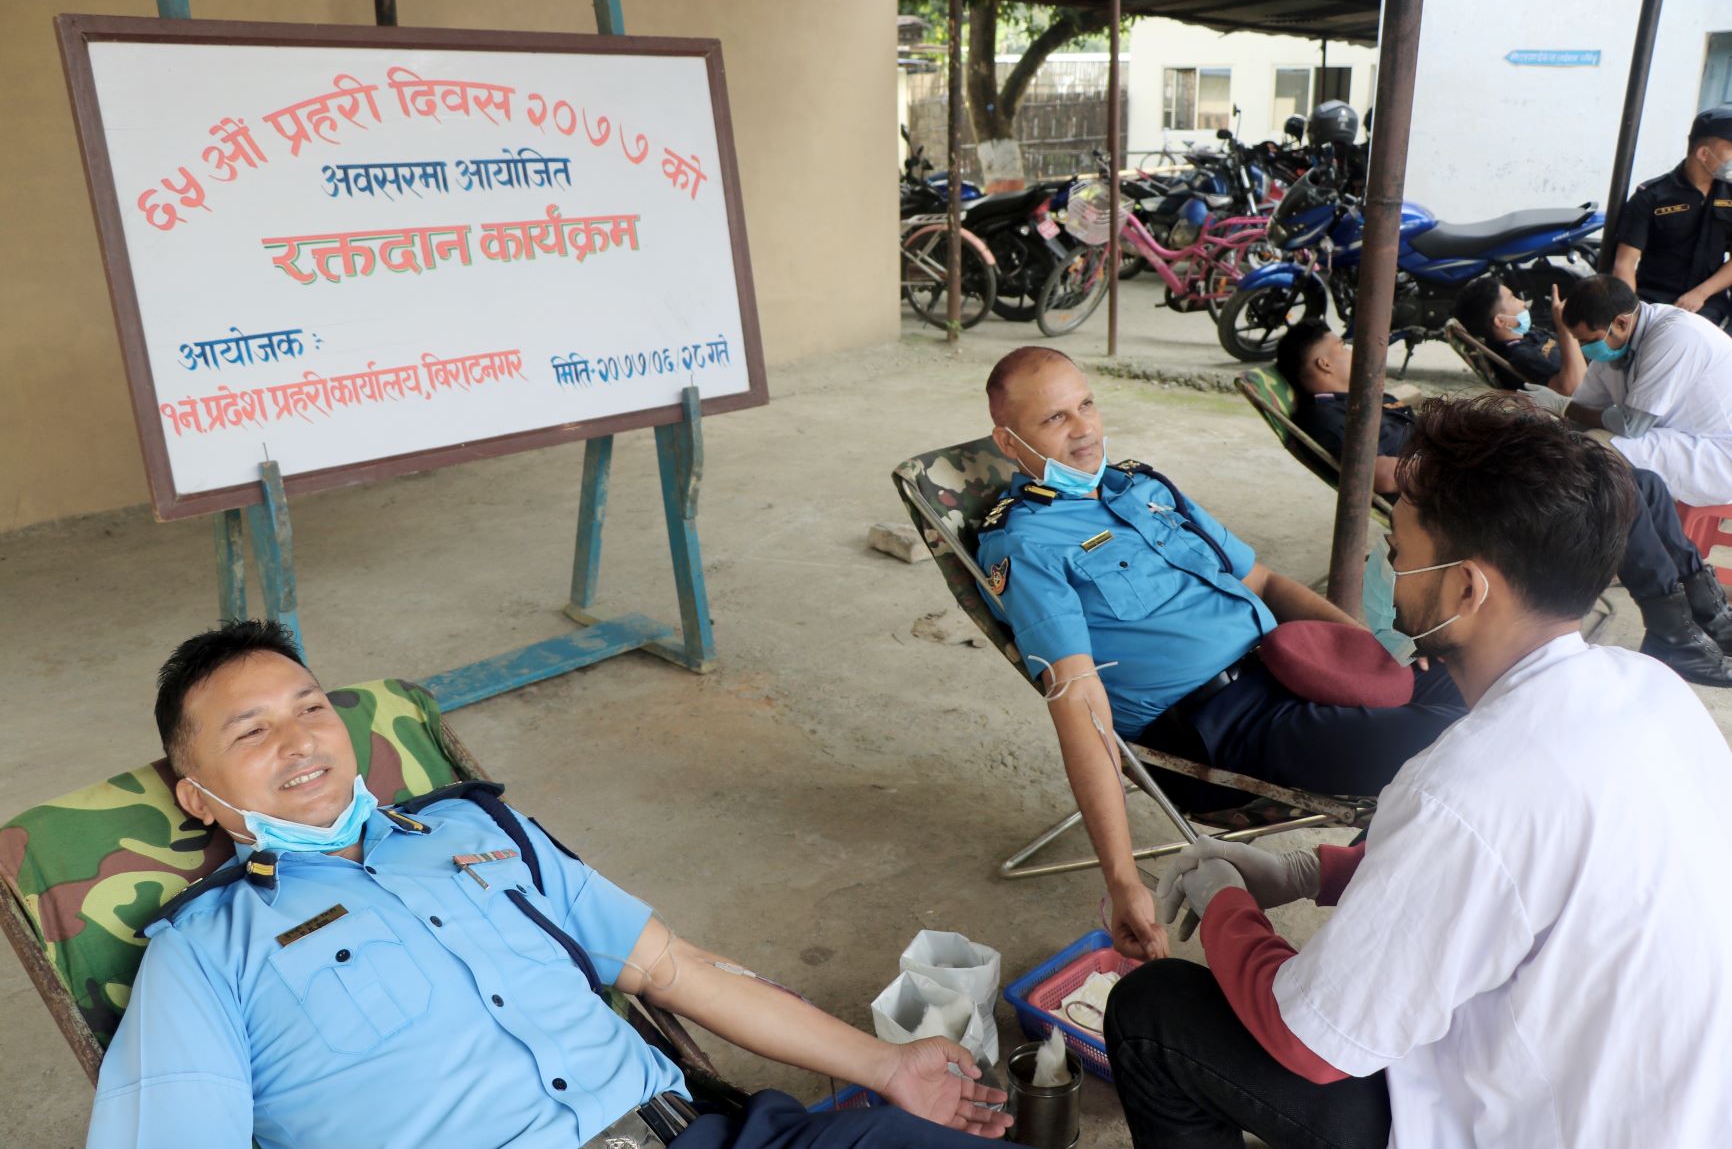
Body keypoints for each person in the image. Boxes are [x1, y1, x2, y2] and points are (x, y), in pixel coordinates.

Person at [87, 621, 1012, 1149]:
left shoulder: (474, 831)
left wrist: (882, 1065)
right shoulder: (204, 953)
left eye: (311, 708)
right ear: (196, 796)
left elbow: (673, 970)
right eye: (251, 731)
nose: (299, 742)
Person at [1107, 393, 1732, 1149]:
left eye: (1397, 547)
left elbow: (1307, 1042)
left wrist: (1225, 906)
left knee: (1155, 1012)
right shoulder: (1651, 690)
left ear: (1467, 588)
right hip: (1678, 1106)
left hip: (1544, 1126)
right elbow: (1508, 880)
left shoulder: (1464, 787)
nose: (1390, 566)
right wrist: (1310, 872)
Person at [973, 346, 1465, 964]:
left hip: (1293, 662)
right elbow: (1078, 700)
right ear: (1009, 441)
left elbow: (1263, 581)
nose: (1084, 429)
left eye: (1087, 404)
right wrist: (1123, 880)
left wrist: (1366, 655)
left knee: (1479, 686)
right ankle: (1387, 920)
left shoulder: (1140, 486)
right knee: (1448, 753)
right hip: (1221, 728)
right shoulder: (1025, 543)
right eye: (1055, 418)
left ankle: (1387, 884)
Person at [1278, 319, 1732, 684]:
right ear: (1323, 363)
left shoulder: (1362, 400)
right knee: (1621, 494)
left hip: (1475, 478)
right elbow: (1377, 473)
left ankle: (1704, 611)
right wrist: (1469, 462)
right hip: (1464, 497)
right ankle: (1672, 634)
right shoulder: (1330, 414)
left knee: (1642, 481)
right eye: (1341, 346)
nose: (1352, 350)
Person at [1521, 273, 1732, 508]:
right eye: (1579, 341)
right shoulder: (1615, 343)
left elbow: (1630, 425)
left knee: (1595, 450)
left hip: (1718, 453)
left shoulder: (1677, 336)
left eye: (1588, 341)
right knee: (1574, 443)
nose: (1584, 349)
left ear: (1621, 323)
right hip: (1679, 435)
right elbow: (1581, 413)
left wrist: (1564, 406)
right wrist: (1540, 424)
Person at [1611, 106, 1732, 329]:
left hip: (1709, 302)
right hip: (1653, 303)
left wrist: (1701, 293)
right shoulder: (1652, 196)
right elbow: (1625, 263)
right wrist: (1631, 315)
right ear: (1703, 154)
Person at [1450, 276, 1565, 389]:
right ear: (1500, 321)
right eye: (1513, 298)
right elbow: (1568, 388)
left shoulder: (1529, 337)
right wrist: (1564, 328)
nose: (1523, 303)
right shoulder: (1521, 356)